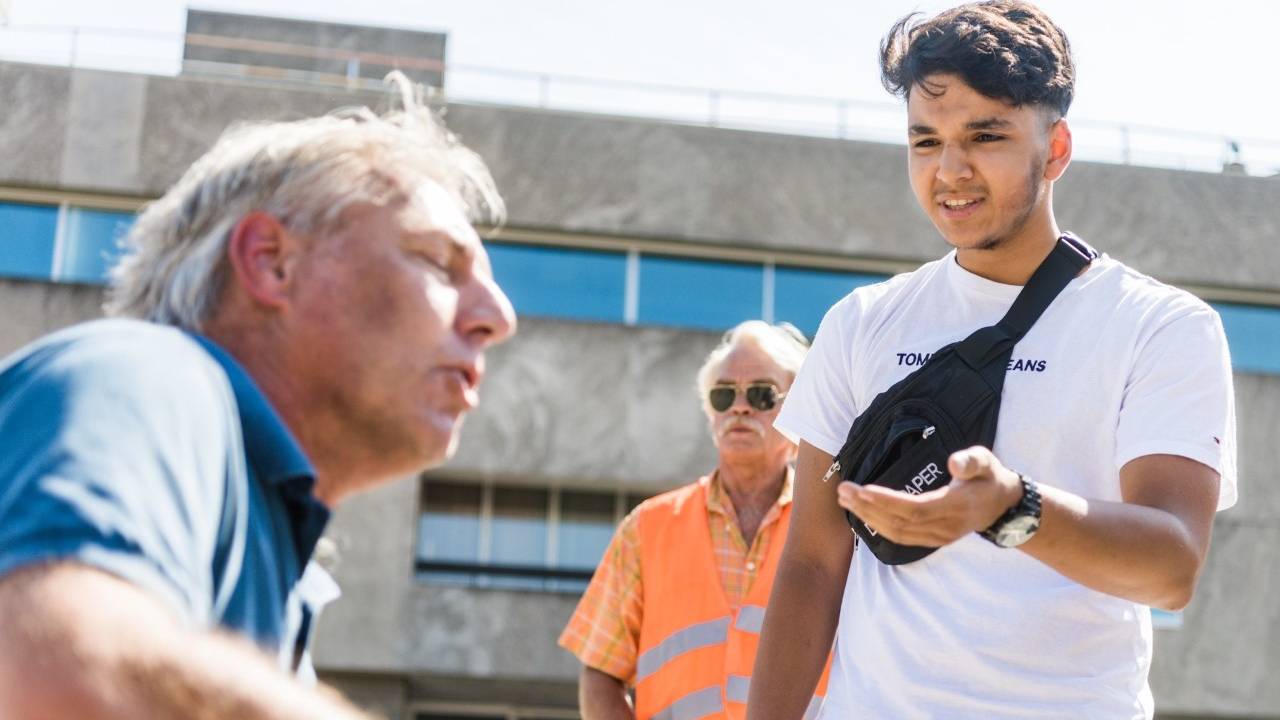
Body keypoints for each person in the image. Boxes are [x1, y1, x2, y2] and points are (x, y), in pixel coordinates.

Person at [748, 3, 1237, 719]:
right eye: (925, 141)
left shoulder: (1161, 326)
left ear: (1056, 149)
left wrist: (1014, 507)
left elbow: (1170, 568)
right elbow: (813, 563)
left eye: (985, 136)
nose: (950, 171)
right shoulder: (860, 323)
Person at [0, 75, 516, 719]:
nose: (499, 317)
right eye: (439, 262)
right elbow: (59, 674)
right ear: (271, 261)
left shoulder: (281, 556)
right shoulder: (143, 375)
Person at [559, 321, 829, 720]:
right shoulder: (646, 528)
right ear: (710, 413)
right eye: (723, 395)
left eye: (761, 393)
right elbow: (601, 671)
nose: (740, 407)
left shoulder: (836, 529)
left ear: (798, 410)